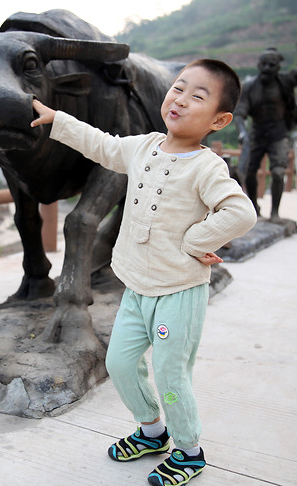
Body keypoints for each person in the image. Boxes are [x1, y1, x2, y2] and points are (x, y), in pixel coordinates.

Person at [31, 59, 257, 485]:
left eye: (197, 96)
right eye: (178, 88)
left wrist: (196, 242)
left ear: (219, 120)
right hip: (136, 288)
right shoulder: (144, 146)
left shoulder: (207, 167)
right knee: (118, 362)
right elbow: (101, 145)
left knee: (171, 374)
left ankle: (189, 451)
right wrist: (57, 119)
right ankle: (153, 432)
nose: (181, 99)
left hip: (179, 293)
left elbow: (240, 212)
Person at [234, 34, 297, 222]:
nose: (267, 68)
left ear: (278, 67)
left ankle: (275, 212)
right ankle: (254, 207)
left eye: (272, 65)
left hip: (278, 132)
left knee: (278, 172)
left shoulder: (284, 82)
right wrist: (242, 131)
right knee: (249, 172)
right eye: (265, 64)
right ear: (259, 65)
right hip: (257, 132)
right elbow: (239, 113)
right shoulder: (250, 87)